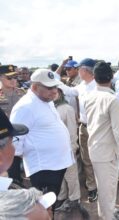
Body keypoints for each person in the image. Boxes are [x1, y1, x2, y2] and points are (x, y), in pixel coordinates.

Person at [10, 69, 74, 206]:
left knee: (51, 204)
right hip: (43, 168)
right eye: (49, 87)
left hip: (56, 164)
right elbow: (15, 144)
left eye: (55, 86)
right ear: (34, 87)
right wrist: (15, 178)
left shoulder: (46, 99)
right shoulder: (25, 107)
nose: (54, 90)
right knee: (44, 207)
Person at [84, 61, 119, 220]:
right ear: (111, 77)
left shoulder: (89, 96)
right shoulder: (112, 99)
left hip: (96, 148)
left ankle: (104, 215)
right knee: (108, 192)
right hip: (107, 152)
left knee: (104, 190)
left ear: (94, 77)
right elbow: (118, 130)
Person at [60, 58, 98, 202]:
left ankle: (101, 185)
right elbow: (69, 91)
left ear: (84, 70)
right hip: (84, 127)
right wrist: (54, 79)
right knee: (86, 158)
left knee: (99, 158)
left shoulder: (98, 86)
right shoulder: (81, 85)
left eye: (79, 69)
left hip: (97, 129)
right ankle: (92, 186)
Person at [53, 88, 81, 211]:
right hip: (54, 149)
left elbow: (72, 131)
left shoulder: (67, 109)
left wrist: (73, 147)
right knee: (59, 175)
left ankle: (74, 199)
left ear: (60, 93)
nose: (53, 94)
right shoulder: (49, 107)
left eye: (55, 92)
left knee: (71, 175)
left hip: (67, 148)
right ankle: (62, 197)